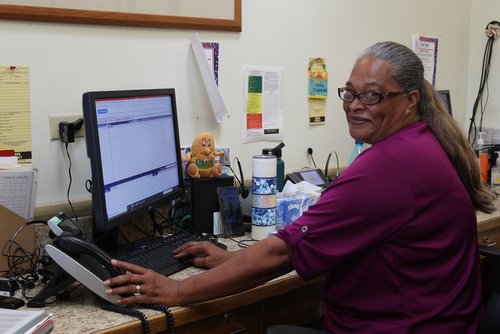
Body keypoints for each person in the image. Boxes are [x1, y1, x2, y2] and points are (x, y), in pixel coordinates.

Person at [104, 41, 496, 333]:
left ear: (411, 101)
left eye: (373, 95)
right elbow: (310, 242)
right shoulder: (425, 143)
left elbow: (283, 254)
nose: (355, 104)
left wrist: (174, 292)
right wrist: (232, 260)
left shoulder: (389, 165)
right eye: (350, 92)